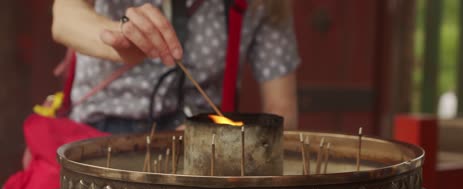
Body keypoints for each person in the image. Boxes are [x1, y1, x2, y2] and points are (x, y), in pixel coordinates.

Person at [51, 0, 300, 132]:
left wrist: (235, 143)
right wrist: (117, 36)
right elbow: (64, 16)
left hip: (202, 142)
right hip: (101, 131)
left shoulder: (264, 3)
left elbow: (282, 111)